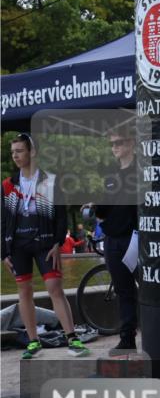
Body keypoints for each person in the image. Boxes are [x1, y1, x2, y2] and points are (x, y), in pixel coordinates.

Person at [2, 133, 90, 359]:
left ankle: (73, 339)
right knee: (24, 291)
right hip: (18, 245)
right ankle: (33, 342)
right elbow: (3, 220)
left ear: (32, 152)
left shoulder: (50, 181)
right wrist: (3, 252)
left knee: (55, 289)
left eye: (19, 151)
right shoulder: (8, 185)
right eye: (13, 153)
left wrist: (58, 242)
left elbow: (60, 215)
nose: (15, 156)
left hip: (44, 242)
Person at [90, 126, 140, 351]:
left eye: (119, 142)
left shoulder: (142, 171)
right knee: (124, 291)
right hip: (113, 240)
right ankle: (127, 339)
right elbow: (104, 208)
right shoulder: (111, 175)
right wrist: (95, 208)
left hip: (136, 238)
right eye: (112, 144)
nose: (115, 147)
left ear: (131, 143)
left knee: (151, 290)